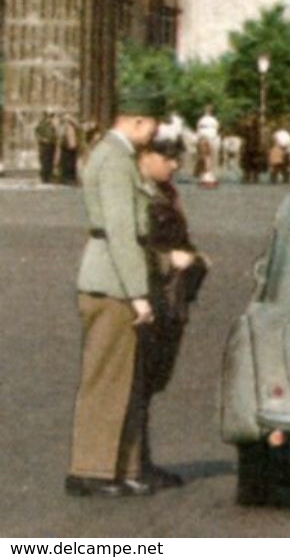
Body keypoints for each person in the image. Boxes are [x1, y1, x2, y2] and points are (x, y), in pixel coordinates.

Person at [67, 88, 161, 497]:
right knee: (108, 378)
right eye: (154, 123)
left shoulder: (112, 155)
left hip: (111, 277)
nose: (156, 132)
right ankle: (91, 470)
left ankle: (119, 466)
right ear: (137, 120)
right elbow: (122, 232)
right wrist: (138, 292)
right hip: (113, 282)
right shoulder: (115, 159)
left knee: (123, 378)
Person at [127, 137, 208, 491]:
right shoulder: (138, 194)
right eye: (168, 158)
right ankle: (134, 465)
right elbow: (131, 246)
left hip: (170, 296)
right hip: (152, 295)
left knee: (151, 381)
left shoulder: (163, 192)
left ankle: (139, 462)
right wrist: (172, 259)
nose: (175, 165)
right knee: (140, 382)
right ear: (146, 156)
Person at [58, 113, 81, 185]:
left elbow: (61, 136)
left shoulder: (67, 127)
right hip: (70, 147)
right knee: (69, 163)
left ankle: (68, 178)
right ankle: (69, 178)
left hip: (69, 147)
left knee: (68, 163)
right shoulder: (72, 127)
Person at [35, 109, 58, 184]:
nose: (51, 118)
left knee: (50, 161)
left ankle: (49, 176)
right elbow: (37, 134)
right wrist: (43, 139)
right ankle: (45, 177)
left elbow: (55, 134)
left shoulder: (52, 125)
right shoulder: (42, 125)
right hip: (44, 146)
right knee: (45, 161)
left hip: (51, 145)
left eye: (52, 116)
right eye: (50, 116)